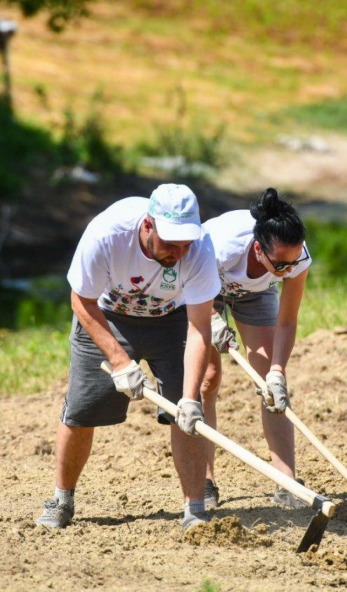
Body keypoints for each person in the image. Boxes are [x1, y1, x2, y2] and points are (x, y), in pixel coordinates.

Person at [36, 183, 221, 531]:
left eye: (185, 244)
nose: (178, 253)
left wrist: (191, 395)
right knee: (83, 408)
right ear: (148, 225)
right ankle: (62, 499)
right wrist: (120, 362)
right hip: (107, 316)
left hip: (172, 320)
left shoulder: (199, 250)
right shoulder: (107, 234)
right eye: (170, 243)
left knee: (185, 411)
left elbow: (199, 326)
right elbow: (82, 301)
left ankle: (195, 510)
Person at [201, 188, 311, 510]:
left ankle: (286, 481)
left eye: (293, 263)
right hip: (202, 287)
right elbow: (186, 288)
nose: (288, 271)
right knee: (208, 378)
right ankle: (205, 480)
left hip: (255, 294)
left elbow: (287, 321)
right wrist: (211, 320)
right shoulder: (220, 246)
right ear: (258, 248)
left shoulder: (294, 257)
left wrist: (277, 370)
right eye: (280, 265)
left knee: (271, 387)